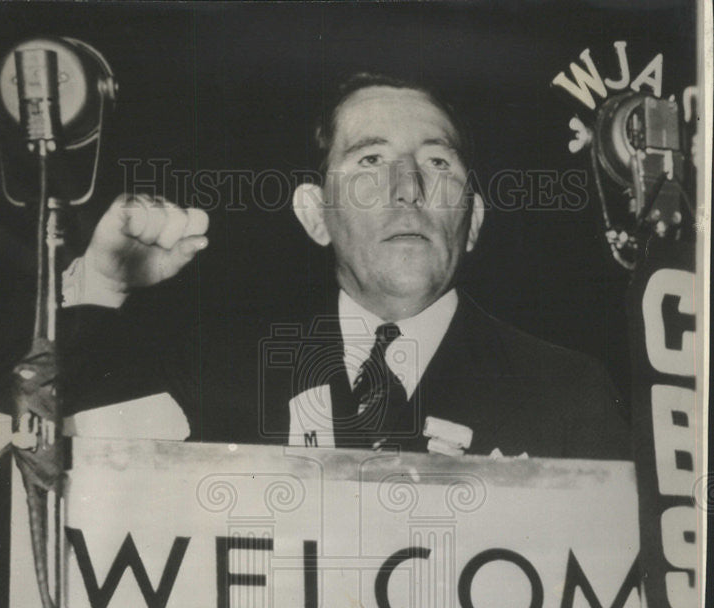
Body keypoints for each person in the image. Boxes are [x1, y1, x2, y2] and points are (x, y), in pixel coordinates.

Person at [57, 71, 630, 459]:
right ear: (315, 216)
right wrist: (102, 285)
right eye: (371, 159)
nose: (408, 188)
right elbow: (85, 477)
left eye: (437, 161)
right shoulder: (220, 372)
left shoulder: (568, 394)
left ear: (474, 220)